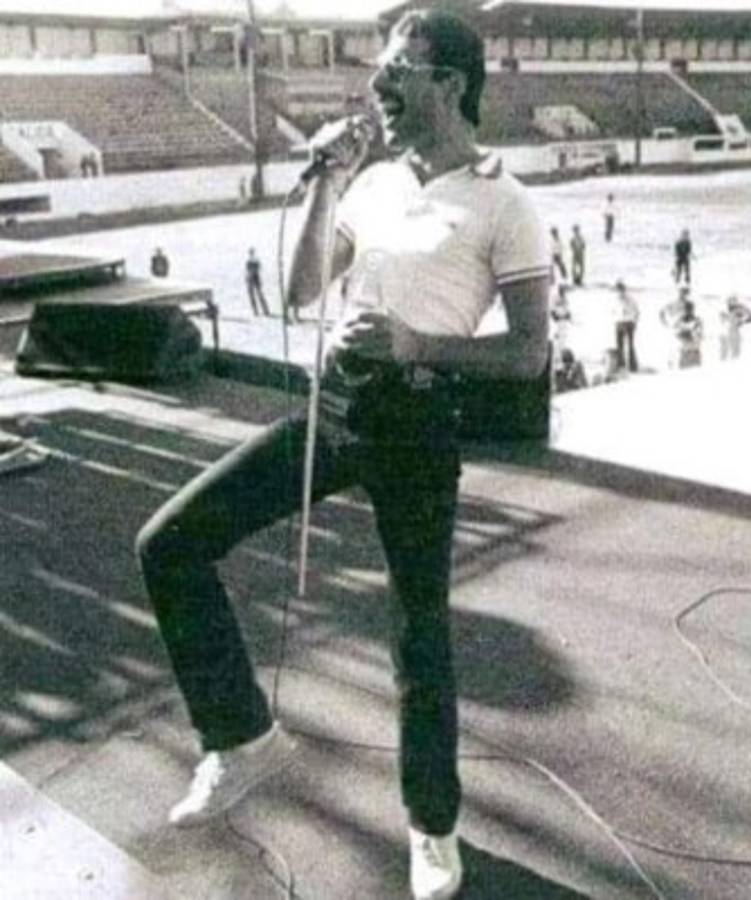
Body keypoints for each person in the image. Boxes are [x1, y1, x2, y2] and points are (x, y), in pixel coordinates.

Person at [134, 12, 550, 900]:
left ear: (450, 80)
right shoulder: (370, 184)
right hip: (337, 405)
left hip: (419, 422)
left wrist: (415, 344)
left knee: (419, 641)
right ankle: (241, 735)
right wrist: (326, 181)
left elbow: (528, 353)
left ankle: (433, 830)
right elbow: (298, 290)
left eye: (398, 68)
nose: (378, 85)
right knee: (168, 544)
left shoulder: (503, 202)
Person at [613, 279, 639, 373]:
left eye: (621, 290)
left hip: (628, 323)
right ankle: (621, 365)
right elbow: (613, 311)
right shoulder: (615, 299)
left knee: (630, 346)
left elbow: (636, 311)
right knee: (619, 346)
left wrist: (634, 322)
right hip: (619, 323)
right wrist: (615, 321)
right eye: (618, 290)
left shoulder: (630, 299)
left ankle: (632, 366)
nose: (619, 292)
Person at [719, 294, 751, 360]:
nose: (730, 305)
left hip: (736, 332)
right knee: (724, 354)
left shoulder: (740, 308)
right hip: (725, 333)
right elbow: (722, 322)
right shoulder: (724, 310)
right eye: (729, 303)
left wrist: (743, 321)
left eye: (733, 303)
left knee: (736, 353)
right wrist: (724, 317)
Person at [673, 299, 704, 368]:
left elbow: (700, 335)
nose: (688, 311)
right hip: (685, 352)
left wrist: (692, 335)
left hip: (694, 352)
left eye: (690, 309)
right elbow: (675, 334)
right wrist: (682, 335)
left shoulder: (697, 321)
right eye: (687, 309)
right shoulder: (680, 321)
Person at [245, 247, 270, 317]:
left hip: (255, 279)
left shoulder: (254, 261)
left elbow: (256, 270)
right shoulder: (250, 261)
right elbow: (248, 271)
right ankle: (258, 311)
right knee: (254, 295)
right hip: (252, 279)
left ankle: (263, 310)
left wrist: (251, 274)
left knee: (258, 295)